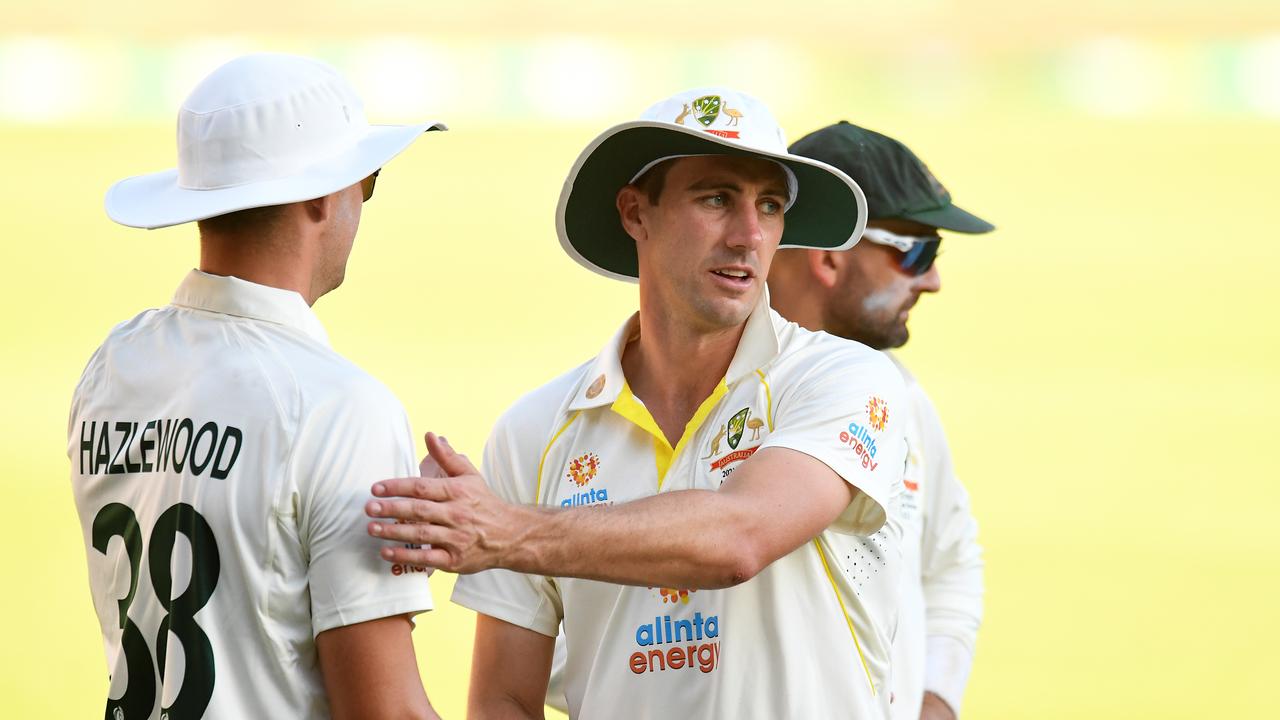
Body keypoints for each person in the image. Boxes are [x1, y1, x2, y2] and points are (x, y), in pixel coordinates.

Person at [365, 88, 909, 718]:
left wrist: (507, 532)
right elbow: (504, 699)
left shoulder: (843, 379)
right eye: (716, 198)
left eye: (770, 205)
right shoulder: (535, 429)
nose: (750, 235)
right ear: (634, 212)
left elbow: (740, 538)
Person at [68, 53, 445, 719]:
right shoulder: (340, 408)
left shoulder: (112, 366)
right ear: (318, 199)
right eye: (368, 183)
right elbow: (385, 711)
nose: (364, 203)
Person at [769, 121, 989, 720]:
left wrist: (935, 702)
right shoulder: (699, 394)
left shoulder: (902, 395)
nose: (934, 279)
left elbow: (951, 563)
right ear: (829, 256)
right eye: (917, 251)